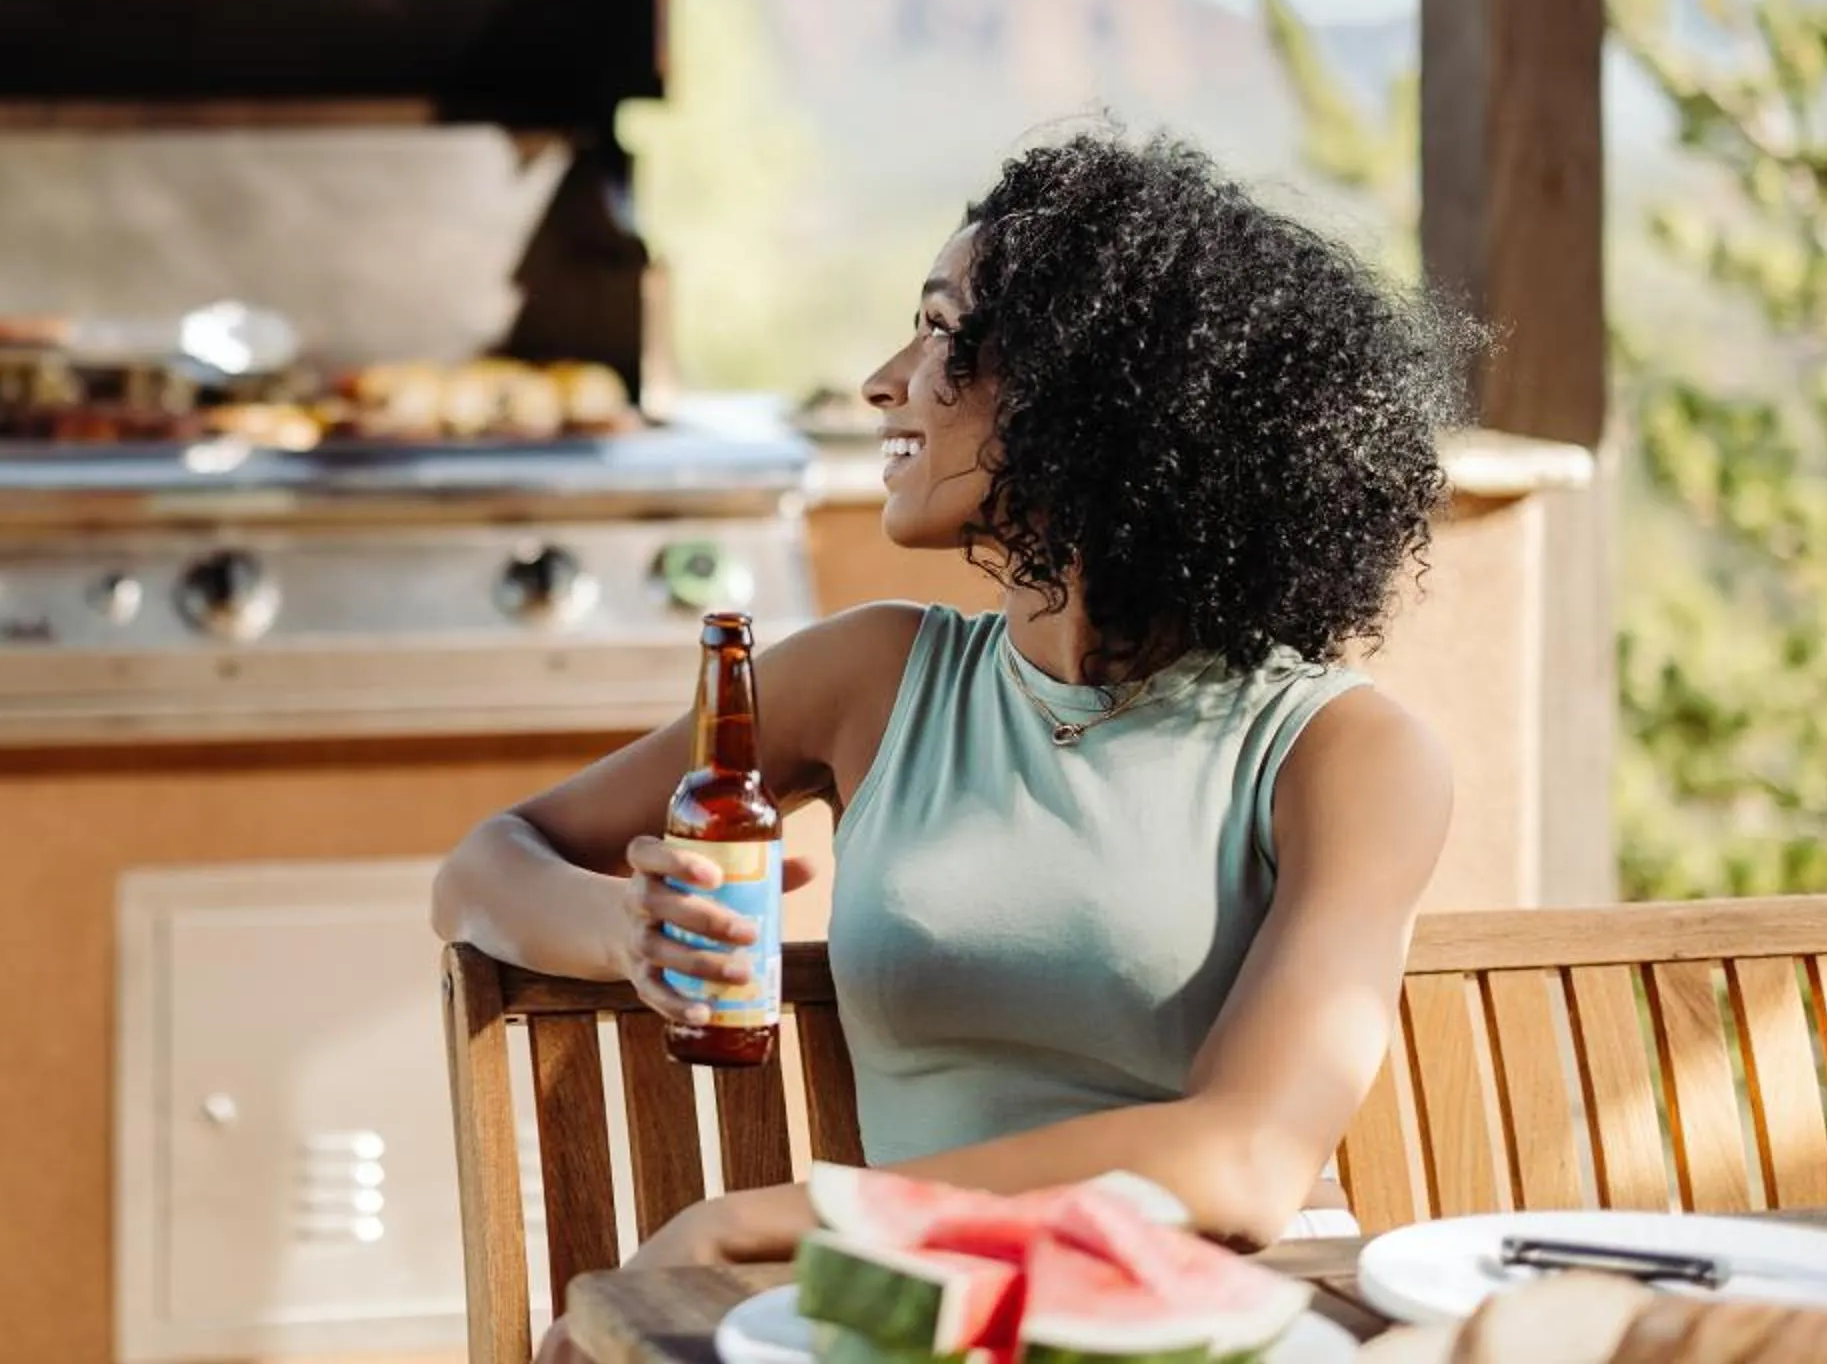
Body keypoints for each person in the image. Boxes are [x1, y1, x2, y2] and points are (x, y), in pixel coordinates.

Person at [432, 130, 1466, 1361]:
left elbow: (1242, 1159)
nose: (885, 382)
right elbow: (482, 867)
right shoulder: (870, 677)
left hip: (1228, 1325)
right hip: (926, 1325)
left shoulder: (1343, 752)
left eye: (940, 332)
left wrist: (760, 1221)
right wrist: (626, 931)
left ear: (1093, 390)